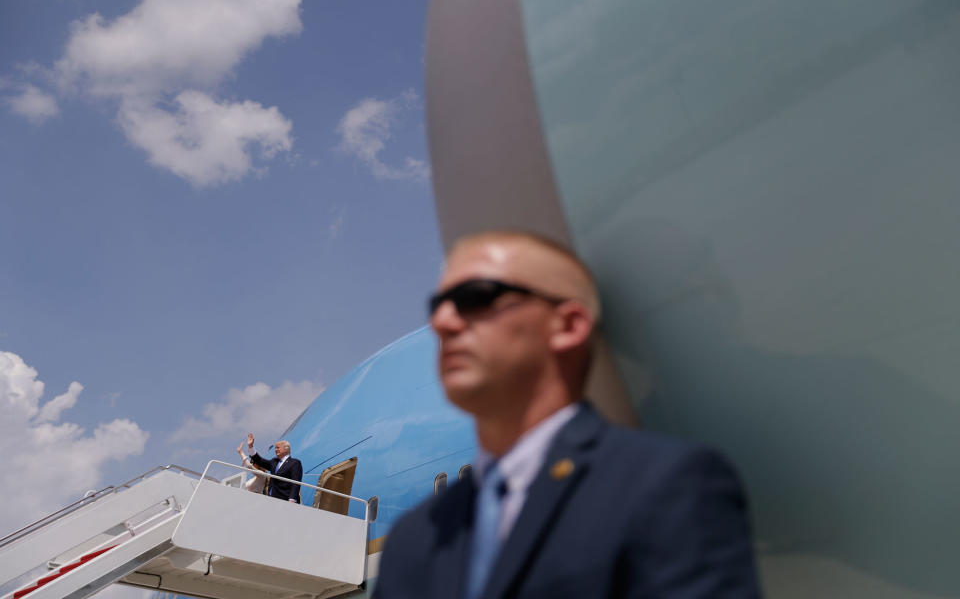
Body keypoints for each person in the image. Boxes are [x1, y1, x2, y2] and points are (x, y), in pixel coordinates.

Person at [373, 231, 761, 598]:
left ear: (569, 325)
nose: (442, 322)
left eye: (475, 297)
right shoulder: (415, 536)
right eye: (437, 306)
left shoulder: (669, 484)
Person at [246, 433, 303, 503]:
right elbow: (259, 460)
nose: (276, 450)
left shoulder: (294, 463)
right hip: (272, 500)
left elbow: (296, 482)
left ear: (286, 449)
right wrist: (251, 446)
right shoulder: (274, 462)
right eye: (275, 448)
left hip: (286, 500)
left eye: (278, 447)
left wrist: (292, 499)